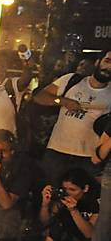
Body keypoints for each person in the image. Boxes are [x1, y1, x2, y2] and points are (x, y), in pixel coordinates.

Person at [33, 51, 111, 185]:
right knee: (49, 192)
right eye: (107, 61)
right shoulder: (71, 80)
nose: (109, 68)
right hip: (57, 152)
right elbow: (40, 96)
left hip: (89, 158)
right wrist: (63, 101)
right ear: (98, 62)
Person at [35, 168, 98, 241]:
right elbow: (46, 223)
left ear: (85, 188)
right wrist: (45, 205)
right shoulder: (62, 198)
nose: (68, 193)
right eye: (65, 189)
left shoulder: (94, 202)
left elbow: (90, 234)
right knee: (60, 218)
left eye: (73, 189)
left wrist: (74, 211)